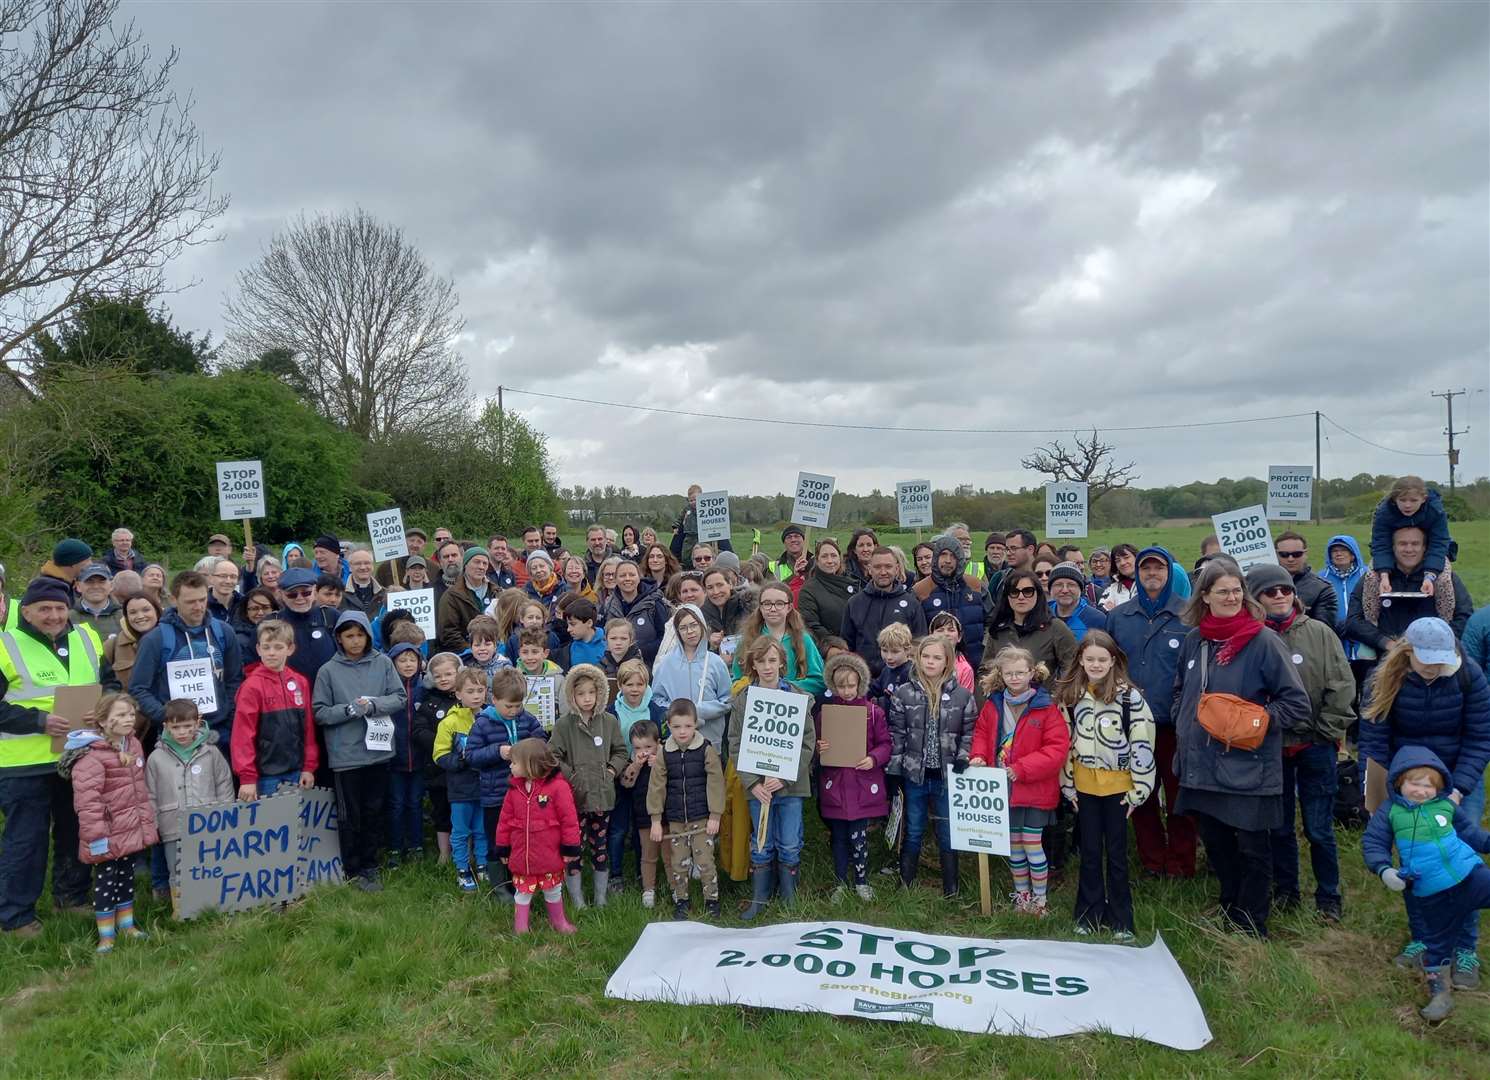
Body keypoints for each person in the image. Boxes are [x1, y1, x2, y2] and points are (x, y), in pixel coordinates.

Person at [1172, 560, 1310, 938]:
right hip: (1201, 762)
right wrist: (1184, 720)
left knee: (1253, 847)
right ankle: (1230, 906)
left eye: (1237, 591)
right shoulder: (1194, 640)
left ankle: (1253, 922)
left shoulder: (1262, 640)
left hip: (1248, 764)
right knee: (1216, 843)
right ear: (1205, 597)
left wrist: (1252, 722)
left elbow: (1296, 703)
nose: (1232, 597)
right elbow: (1181, 690)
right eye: (1223, 591)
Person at [1359, 617, 1490, 979]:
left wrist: (1458, 789)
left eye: (1440, 659)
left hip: (1457, 783)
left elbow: (1480, 738)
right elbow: (1373, 743)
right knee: (1417, 863)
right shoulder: (1383, 679)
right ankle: (1424, 939)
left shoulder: (1469, 675)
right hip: (1408, 785)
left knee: (1462, 864)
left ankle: (1465, 949)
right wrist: (1377, 798)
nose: (1434, 666)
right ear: (1407, 651)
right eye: (1426, 658)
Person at [1246, 564, 1353, 920]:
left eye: (1285, 590)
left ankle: (1328, 896)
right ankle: (1286, 891)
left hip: (1315, 746)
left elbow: (1341, 684)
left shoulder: (1320, 633)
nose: (1279, 596)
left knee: (1319, 827)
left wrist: (1325, 731)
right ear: (1256, 598)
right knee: (1278, 827)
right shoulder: (1251, 636)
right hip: (1270, 748)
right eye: (1270, 591)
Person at [0, 577, 102, 936]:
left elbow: (110, 685)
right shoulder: (5, 645)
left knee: (76, 830)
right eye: (44, 609)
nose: (54, 616)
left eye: (59, 608)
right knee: (27, 839)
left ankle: (71, 898)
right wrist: (39, 721)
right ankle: (16, 917)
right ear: (25, 610)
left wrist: (102, 709)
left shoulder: (87, 638)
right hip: (22, 762)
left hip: (76, 756)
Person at [1364, 746, 1490, 1021]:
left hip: (1470, 875)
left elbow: (1470, 833)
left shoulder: (1446, 806)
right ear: (1399, 782)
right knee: (1436, 945)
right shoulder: (1390, 812)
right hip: (1431, 892)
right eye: (1414, 784)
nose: (1421, 791)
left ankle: (1464, 957)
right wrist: (1385, 870)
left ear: (1439, 787)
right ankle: (1440, 994)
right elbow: (1374, 843)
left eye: (1428, 786)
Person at [1056, 632, 1155, 939]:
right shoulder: (1070, 697)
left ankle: (1121, 919)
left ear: (1113, 661)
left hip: (1119, 789)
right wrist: (1068, 786)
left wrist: (1140, 789)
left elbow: (1142, 742)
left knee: (1116, 853)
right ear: (1080, 661)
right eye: (1090, 660)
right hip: (1085, 787)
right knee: (1088, 852)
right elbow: (1065, 745)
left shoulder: (1129, 697)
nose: (1096, 665)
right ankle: (1088, 915)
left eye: (1102, 660)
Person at [1109, 547, 1194, 878]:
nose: (1152, 574)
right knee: (1140, 797)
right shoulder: (1119, 617)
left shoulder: (1188, 616)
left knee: (1179, 798)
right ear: (1138, 573)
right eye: (1146, 568)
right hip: (1132, 726)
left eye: (1159, 568)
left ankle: (1181, 863)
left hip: (1174, 726)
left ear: (1170, 572)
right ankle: (1152, 861)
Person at [970, 645, 1070, 915]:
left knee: (1032, 844)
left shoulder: (1046, 707)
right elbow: (981, 733)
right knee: (1013, 846)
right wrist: (978, 755)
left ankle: (1040, 901)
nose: (1015, 678)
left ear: (1032, 673)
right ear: (1001, 674)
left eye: (1020, 672)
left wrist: (1022, 768)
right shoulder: (993, 705)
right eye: (1009, 673)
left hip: (1034, 788)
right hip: (1003, 789)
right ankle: (1021, 896)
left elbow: (1057, 749)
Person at [312, 610, 406, 892]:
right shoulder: (328, 671)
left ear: (368, 635)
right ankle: (351, 867)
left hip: (378, 752)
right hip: (347, 756)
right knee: (350, 814)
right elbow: (319, 712)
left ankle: (370, 864)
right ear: (339, 638)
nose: (355, 641)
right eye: (349, 636)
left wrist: (373, 705)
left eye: (360, 635)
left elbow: (399, 696)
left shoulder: (383, 663)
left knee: (374, 810)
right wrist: (348, 710)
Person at [62, 692, 156, 952]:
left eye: (131, 714)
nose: (128, 720)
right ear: (103, 721)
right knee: (105, 880)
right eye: (120, 715)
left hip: (128, 827)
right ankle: (106, 935)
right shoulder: (91, 756)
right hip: (105, 831)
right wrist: (96, 837)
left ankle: (127, 925)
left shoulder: (133, 745)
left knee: (126, 876)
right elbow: (87, 802)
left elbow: (138, 788)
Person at [730, 636, 815, 919]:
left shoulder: (797, 698)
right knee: (761, 842)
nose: (767, 667)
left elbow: (807, 743)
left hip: (789, 788)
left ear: (781, 662)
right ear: (752, 664)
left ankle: (790, 898)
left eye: (772, 660)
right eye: (761, 661)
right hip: (758, 788)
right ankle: (760, 899)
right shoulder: (743, 701)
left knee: (790, 842)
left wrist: (787, 777)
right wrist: (752, 782)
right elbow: (735, 742)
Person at [886, 635, 976, 897]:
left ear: (948, 660)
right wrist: (894, 770)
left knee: (947, 830)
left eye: (937, 657)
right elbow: (898, 734)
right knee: (913, 828)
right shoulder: (904, 693)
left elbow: (970, 731)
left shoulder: (963, 696)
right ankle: (906, 883)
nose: (930, 662)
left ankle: (951, 888)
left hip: (949, 775)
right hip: (915, 775)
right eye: (926, 656)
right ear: (917, 658)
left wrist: (963, 756)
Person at [129, 570, 244, 760]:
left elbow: (234, 679)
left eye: (202, 599)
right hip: (175, 735)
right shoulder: (155, 639)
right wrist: (168, 717)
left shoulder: (224, 632)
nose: (198, 607)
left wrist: (229, 716)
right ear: (174, 600)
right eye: (190, 602)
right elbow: (138, 688)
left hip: (220, 731)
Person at [465, 666, 548, 904]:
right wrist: (497, 752)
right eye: (507, 706)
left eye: (517, 706)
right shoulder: (483, 723)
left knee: (520, 840)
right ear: (494, 700)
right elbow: (470, 756)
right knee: (497, 841)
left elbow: (542, 741)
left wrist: (529, 751)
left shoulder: (527, 719)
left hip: (524, 794)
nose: (513, 711)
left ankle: (520, 882)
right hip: (495, 796)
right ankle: (500, 888)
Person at [549, 664, 627, 908]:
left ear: (600, 694)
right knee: (574, 847)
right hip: (573, 799)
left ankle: (601, 898)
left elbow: (621, 751)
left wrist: (611, 770)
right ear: (572, 695)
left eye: (591, 693)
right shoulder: (564, 725)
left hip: (602, 796)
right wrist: (571, 776)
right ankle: (577, 899)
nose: (586, 699)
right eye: (581, 694)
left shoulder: (609, 721)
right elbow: (552, 755)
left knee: (600, 846)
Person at [814, 652, 890, 901]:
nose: (846, 691)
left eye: (851, 685)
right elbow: (814, 745)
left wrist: (873, 759)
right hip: (834, 787)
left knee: (859, 837)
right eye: (841, 686)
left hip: (861, 787)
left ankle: (861, 881)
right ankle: (839, 883)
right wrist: (819, 748)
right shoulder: (826, 714)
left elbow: (885, 744)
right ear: (833, 686)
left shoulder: (872, 712)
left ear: (860, 684)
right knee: (838, 837)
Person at [647, 699, 725, 920]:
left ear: (696, 725)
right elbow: (656, 786)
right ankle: (682, 900)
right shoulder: (664, 753)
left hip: (702, 818)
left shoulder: (705, 749)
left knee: (705, 862)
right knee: (678, 863)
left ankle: (712, 900)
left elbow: (716, 782)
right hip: (676, 819)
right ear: (669, 726)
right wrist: (655, 819)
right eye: (677, 726)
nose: (683, 731)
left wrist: (715, 815)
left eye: (688, 726)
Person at [145, 698, 233, 896]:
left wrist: (225, 815)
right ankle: (180, 911)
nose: (182, 732)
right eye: (176, 727)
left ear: (197, 723)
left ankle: (210, 905)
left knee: (210, 866)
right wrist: (153, 824)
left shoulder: (211, 752)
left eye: (187, 726)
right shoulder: (156, 758)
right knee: (177, 871)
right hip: (172, 825)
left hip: (209, 823)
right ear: (166, 726)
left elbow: (224, 783)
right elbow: (150, 794)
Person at [494, 737, 579, 935]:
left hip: (549, 853)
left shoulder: (558, 787)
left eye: (515, 763)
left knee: (553, 889)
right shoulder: (514, 790)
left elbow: (569, 820)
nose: (511, 766)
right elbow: (504, 821)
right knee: (522, 892)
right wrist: (503, 847)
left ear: (530, 764)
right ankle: (521, 927)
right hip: (522, 855)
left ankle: (559, 923)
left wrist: (570, 847)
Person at [1346, 527, 1473, 655]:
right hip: (1384, 655)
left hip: (1433, 655)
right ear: (1393, 547)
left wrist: (1435, 643)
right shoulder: (1373, 578)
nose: (1409, 549)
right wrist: (1384, 642)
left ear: (1425, 547)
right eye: (1402, 544)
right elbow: (1353, 620)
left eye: (1415, 544)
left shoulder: (1445, 579)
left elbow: (1464, 615)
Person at [230, 619, 319, 799]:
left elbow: (308, 729)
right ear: (258, 649)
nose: (271, 653)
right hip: (265, 776)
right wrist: (247, 778)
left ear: (290, 649)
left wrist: (309, 767)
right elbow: (242, 735)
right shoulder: (251, 687)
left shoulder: (300, 682)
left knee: (297, 825)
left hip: (297, 772)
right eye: (267, 647)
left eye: (278, 647)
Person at [435, 667, 488, 893]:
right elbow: (439, 754)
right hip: (460, 788)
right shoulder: (450, 722)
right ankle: (463, 869)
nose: (476, 695)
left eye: (480, 690)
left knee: (482, 829)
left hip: (485, 785)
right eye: (470, 691)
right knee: (460, 830)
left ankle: (484, 865)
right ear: (458, 694)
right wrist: (460, 761)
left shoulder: (491, 716)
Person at [652, 605, 732, 748]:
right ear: (677, 632)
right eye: (683, 628)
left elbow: (727, 700)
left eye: (694, 625)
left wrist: (698, 710)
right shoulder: (666, 663)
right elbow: (657, 698)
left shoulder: (715, 662)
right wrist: (679, 712)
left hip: (710, 741)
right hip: (677, 741)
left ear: (702, 625)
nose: (690, 632)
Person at [842, 547, 928, 677]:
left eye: (888, 566)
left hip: (901, 681)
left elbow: (919, 643)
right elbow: (847, 645)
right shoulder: (854, 603)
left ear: (897, 569)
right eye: (877, 567)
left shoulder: (912, 604)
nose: (883, 572)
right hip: (864, 680)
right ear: (869, 569)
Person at [731, 580, 825, 697]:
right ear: (760, 607)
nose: (773, 609)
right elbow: (736, 680)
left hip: (792, 707)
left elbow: (819, 681)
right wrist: (756, 688)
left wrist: (785, 687)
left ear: (789, 607)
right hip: (757, 706)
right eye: (767, 603)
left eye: (780, 603)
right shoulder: (748, 639)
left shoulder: (802, 639)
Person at [412, 652, 461, 866]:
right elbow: (418, 731)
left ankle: (464, 851)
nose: (444, 679)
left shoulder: (466, 699)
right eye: (438, 675)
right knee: (441, 811)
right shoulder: (427, 703)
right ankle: (444, 853)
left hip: (462, 769)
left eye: (449, 674)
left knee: (462, 813)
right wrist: (442, 744)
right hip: (437, 767)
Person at [984, 568, 1076, 679]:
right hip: (1003, 695)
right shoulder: (998, 631)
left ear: (1038, 594)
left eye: (1028, 591)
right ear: (1007, 596)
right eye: (1014, 592)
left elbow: (1072, 669)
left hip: (1045, 694)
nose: (1021, 597)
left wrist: (1056, 694)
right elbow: (985, 671)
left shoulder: (1056, 628)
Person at [913, 535, 989, 670]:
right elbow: (914, 634)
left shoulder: (975, 585)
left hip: (975, 666)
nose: (948, 560)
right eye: (943, 555)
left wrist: (984, 653)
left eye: (953, 556)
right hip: (933, 669)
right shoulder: (920, 590)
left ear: (960, 559)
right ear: (936, 557)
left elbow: (991, 623)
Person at [1372, 476, 1452, 598]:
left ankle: (1446, 616)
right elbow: (1380, 543)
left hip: (1429, 551)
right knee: (1371, 578)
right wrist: (1384, 574)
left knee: (1444, 579)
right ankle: (1370, 617)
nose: (1407, 505)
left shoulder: (1435, 511)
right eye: (1402, 500)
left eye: (1413, 500)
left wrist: (1430, 575)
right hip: (1396, 551)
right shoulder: (1384, 513)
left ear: (1423, 499)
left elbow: (1439, 542)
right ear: (1394, 499)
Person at [620, 719, 669, 908]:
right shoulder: (633, 763)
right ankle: (648, 889)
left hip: (666, 814)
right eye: (638, 747)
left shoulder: (665, 758)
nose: (644, 752)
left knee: (669, 855)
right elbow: (626, 782)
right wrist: (637, 765)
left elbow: (675, 778)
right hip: (643, 817)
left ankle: (676, 887)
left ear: (658, 743)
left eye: (648, 746)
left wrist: (660, 763)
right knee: (648, 855)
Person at [384, 642, 425, 861]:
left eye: (412, 659)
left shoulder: (424, 688)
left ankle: (416, 845)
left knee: (415, 802)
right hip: (394, 758)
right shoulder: (387, 688)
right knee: (396, 804)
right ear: (393, 663)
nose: (408, 664)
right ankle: (394, 847)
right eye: (402, 660)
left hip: (418, 759)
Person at [273, 568, 339, 690]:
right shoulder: (272, 623)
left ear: (314, 591)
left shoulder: (330, 616)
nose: (299, 598)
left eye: (306, 593)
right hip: (286, 697)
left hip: (328, 695)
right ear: (281, 594)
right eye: (292, 594)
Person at [599, 559, 671, 665]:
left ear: (639, 578)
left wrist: (640, 651)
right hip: (614, 666)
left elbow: (666, 638)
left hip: (648, 666)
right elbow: (601, 635)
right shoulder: (608, 605)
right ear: (616, 579)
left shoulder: (654, 603)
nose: (627, 579)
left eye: (632, 575)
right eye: (622, 575)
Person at [795, 538, 855, 652]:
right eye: (824, 556)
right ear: (817, 561)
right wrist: (837, 644)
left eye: (833, 555)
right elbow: (811, 625)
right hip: (831, 650)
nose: (830, 560)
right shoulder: (809, 590)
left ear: (840, 558)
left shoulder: (853, 583)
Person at [101, 592, 161, 694]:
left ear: (157, 612)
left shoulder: (173, 639)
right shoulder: (111, 646)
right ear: (126, 617)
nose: (140, 616)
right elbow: (106, 685)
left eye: (146, 610)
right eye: (133, 612)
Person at [436, 548, 492, 654]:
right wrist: (473, 650)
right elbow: (448, 633)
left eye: (485, 563)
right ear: (465, 564)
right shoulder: (451, 596)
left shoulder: (495, 591)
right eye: (476, 562)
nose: (481, 567)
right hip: (466, 654)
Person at [233, 587, 280, 667]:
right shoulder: (238, 640)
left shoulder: (285, 633)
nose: (260, 613)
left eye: (265, 608)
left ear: (273, 609)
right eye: (254, 608)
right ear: (246, 612)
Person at [554, 598, 605, 671]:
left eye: (573, 624)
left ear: (589, 623)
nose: (568, 629)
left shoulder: (607, 646)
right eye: (568, 625)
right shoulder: (566, 650)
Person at [73, 563, 121, 639]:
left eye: (102, 582)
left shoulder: (123, 616)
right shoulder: (68, 618)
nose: (96, 586)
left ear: (111, 585)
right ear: (78, 586)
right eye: (89, 582)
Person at [928, 613, 975, 691]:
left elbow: (965, 699)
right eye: (940, 630)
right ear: (930, 635)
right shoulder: (923, 661)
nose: (946, 634)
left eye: (951, 630)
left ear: (959, 637)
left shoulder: (965, 669)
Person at [523, 550, 568, 618]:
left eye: (542, 566)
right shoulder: (526, 590)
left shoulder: (562, 588)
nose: (538, 570)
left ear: (550, 567)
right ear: (531, 573)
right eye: (534, 568)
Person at [343, 547, 384, 618]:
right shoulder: (339, 594)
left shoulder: (385, 594)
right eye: (358, 563)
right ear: (350, 567)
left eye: (367, 563)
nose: (363, 567)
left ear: (372, 565)